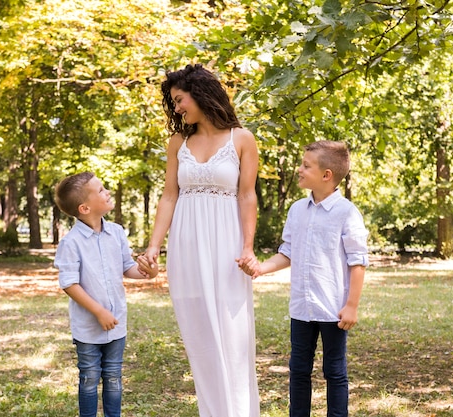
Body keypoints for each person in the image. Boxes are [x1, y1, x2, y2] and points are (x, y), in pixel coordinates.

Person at [138, 64, 260, 417]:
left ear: (200, 93)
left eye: (179, 99)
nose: (176, 108)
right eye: (173, 102)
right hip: (187, 246)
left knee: (232, 333)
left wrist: (248, 247)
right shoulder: (178, 143)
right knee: (199, 335)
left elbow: (247, 196)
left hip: (227, 246)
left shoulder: (242, 138)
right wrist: (153, 246)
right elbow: (169, 197)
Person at [238, 141, 369, 417]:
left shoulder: (347, 213)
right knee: (298, 370)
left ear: (326, 175)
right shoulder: (297, 210)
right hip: (301, 308)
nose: (299, 169)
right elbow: (287, 253)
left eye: (306, 166)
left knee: (334, 370)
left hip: (333, 309)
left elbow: (358, 262)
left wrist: (352, 305)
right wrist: (261, 268)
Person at [53, 172, 158, 417]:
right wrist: (99, 312)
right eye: (100, 190)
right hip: (88, 327)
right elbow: (69, 284)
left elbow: (127, 267)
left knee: (113, 377)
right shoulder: (71, 243)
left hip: (116, 322)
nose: (107, 192)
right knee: (89, 377)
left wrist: (148, 273)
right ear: (85, 207)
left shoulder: (117, 232)